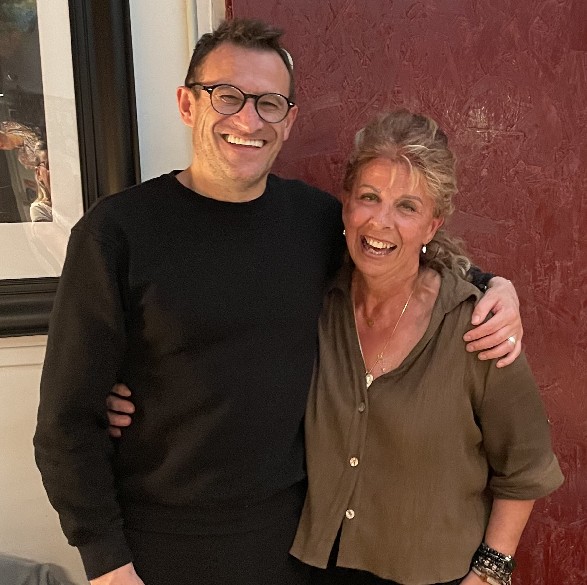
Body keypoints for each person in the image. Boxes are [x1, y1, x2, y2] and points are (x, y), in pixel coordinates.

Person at [34, 19, 522, 585]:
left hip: (295, 545)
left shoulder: (314, 221)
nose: (248, 120)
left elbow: (399, 256)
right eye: (226, 96)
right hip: (157, 547)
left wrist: (492, 286)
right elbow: (66, 424)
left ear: (288, 121)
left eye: (268, 103)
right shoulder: (116, 233)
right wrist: (107, 563)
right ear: (188, 104)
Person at [287, 111, 563, 585]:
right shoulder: (316, 303)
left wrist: (489, 575)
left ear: (432, 225)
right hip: (318, 570)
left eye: (407, 207)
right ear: (346, 205)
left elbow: (526, 465)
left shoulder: (476, 326)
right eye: (369, 197)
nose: (381, 222)